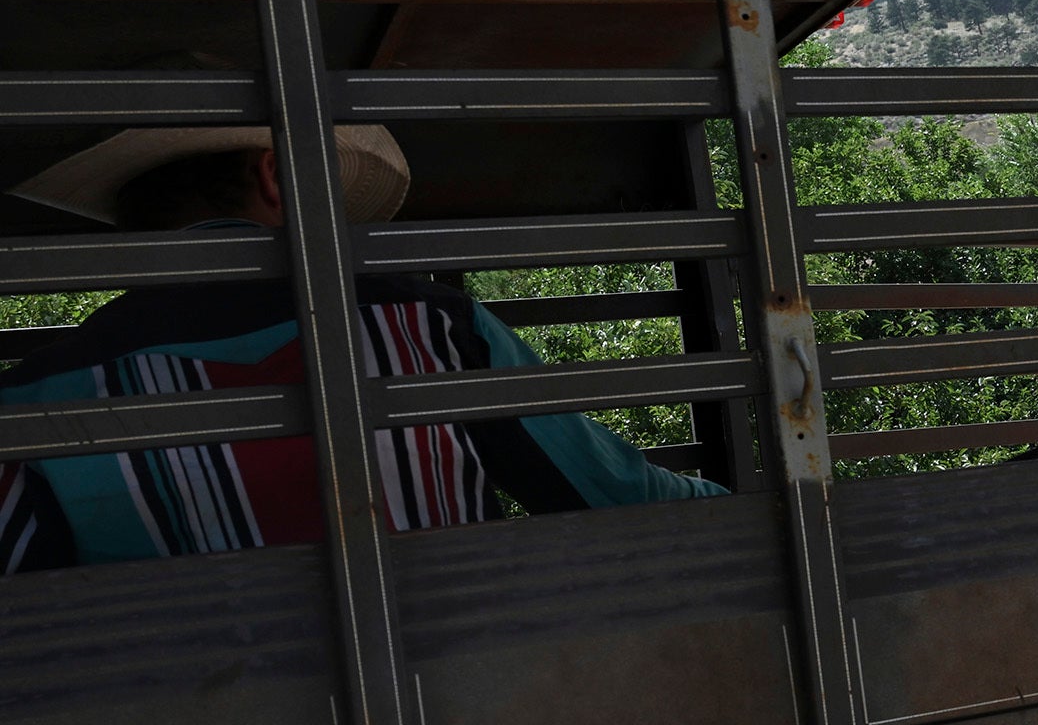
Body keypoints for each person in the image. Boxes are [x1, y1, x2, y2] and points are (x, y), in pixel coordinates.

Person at [0, 124, 723, 571]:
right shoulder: (428, 328)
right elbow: (614, 497)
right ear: (279, 175)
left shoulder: (35, 400)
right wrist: (746, 507)